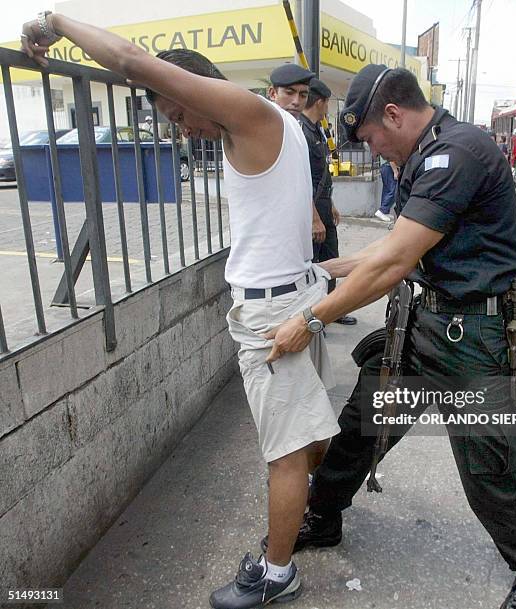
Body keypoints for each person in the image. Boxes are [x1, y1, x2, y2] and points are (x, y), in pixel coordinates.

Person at [21, 12, 340, 609]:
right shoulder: (284, 126)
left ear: (193, 88)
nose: (179, 130)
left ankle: (277, 573)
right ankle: (320, 510)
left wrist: (56, 21)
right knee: (305, 433)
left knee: (284, 450)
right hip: (292, 295)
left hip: (273, 317)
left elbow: (130, 60)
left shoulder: (250, 113)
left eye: (176, 113)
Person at [265, 65, 516, 609]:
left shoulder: (456, 154)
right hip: (420, 328)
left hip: (476, 338)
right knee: (358, 429)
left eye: (373, 138)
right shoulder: (423, 154)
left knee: (488, 467)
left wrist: (310, 321)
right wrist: (326, 272)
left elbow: (395, 260)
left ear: (394, 115)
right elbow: (395, 247)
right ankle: (324, 517)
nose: (376, 152)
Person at [300, 78, 357, 326]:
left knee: (331, 257)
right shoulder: (301, 131)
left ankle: (331, 310)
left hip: (323, 204)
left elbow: (322, 173)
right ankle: (312, 315)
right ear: (321, 102)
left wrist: (330, 204)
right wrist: (314, 218)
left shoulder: (317, 129)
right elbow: (301, 181)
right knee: (314, 263)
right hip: (310, 207)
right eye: (327, 103)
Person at [268, 64, 327, 248]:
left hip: (295, 223)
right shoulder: (269, 130)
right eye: (289, 92)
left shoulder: (296, 128)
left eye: (303, 95)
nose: (296, 101)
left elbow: (304, 179)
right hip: (275, 229)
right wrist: (314, 218)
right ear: (272, 93)